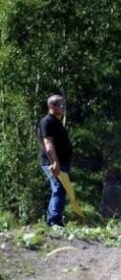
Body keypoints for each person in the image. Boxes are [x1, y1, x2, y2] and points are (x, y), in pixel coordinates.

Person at [37, 94, 73, 227]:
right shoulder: (47, 122)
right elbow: (48, 143)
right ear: (52, 106)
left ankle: (56, 221)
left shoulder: (57, 122)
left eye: (64, 105)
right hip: (52, 163)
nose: (63, 108)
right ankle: (53, 222)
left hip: (61, 163)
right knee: (58, 188)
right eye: (61, 105)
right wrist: (55, 162)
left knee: (61, 189)